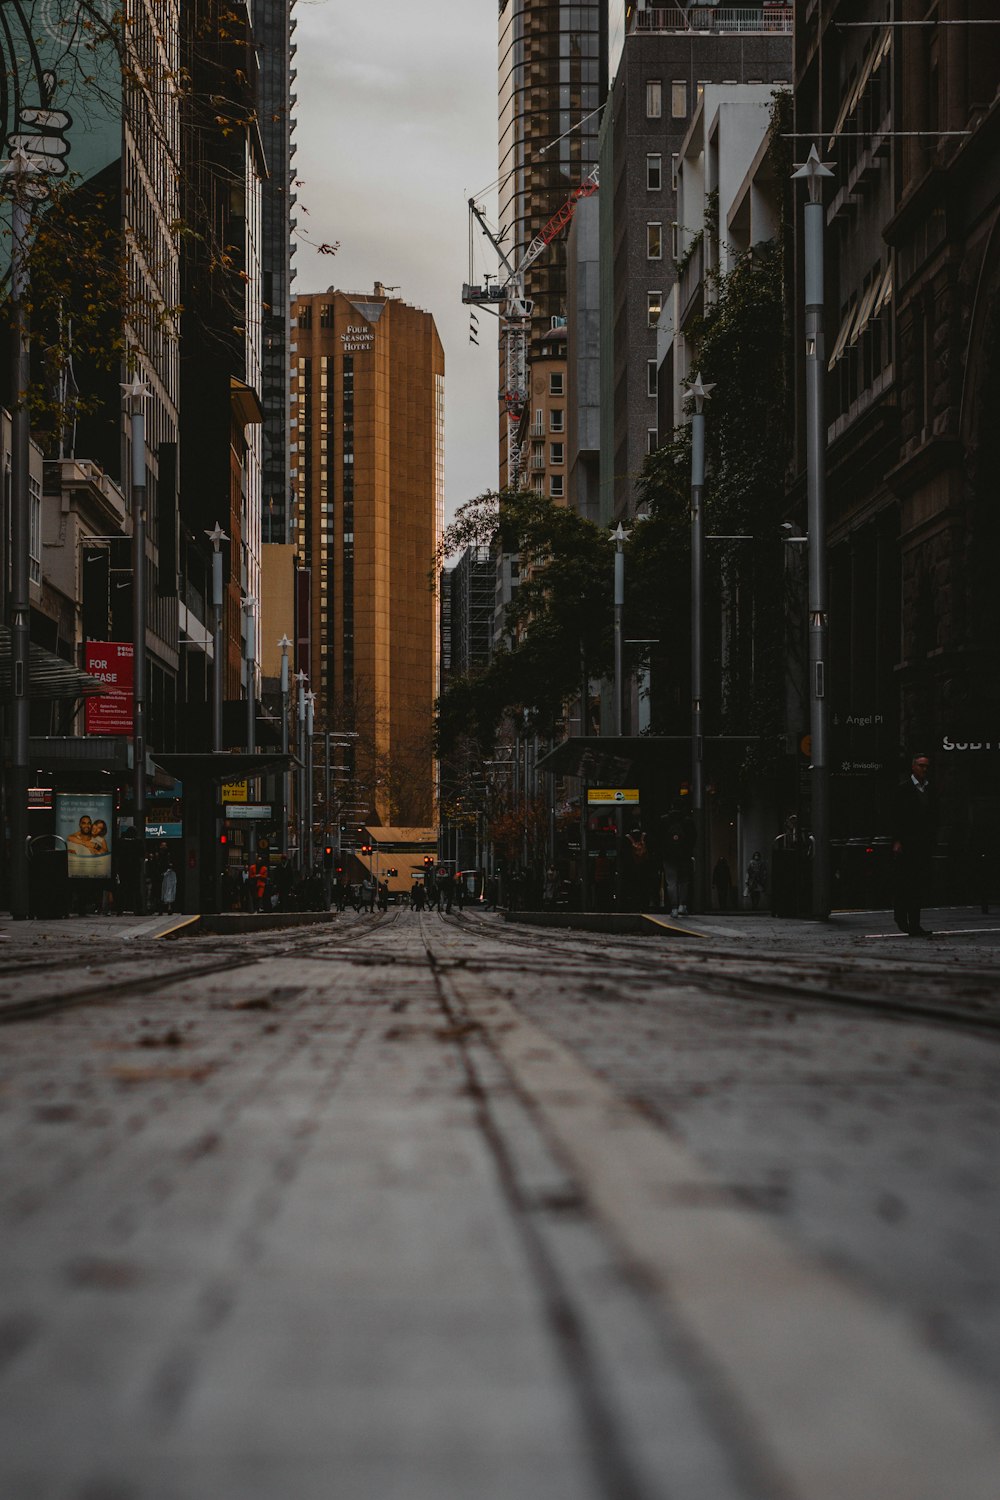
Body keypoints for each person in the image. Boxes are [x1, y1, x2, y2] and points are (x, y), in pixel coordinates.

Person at [891, 752, 937, 937]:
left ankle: (915, 924)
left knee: (918, 885)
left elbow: (934, 815)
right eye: (921, 765)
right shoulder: (903, 789)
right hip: (907, 843)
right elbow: (895, 817)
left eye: (926, 766)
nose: (924, 769)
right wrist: (897, 840)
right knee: (905, 883)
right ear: (913, 766)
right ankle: (901, 916)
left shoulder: (930, 789)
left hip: (923, 844)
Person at [661, 795, 696, 916]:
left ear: (672, 806)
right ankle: (682, 905)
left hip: (668, 856)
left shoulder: (664, 820)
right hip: (684, 855)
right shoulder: (688, 821)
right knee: (684, 881)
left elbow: (659, 839)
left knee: (671, 882)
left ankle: (674, 908)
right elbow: (693, 839)